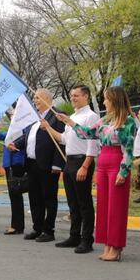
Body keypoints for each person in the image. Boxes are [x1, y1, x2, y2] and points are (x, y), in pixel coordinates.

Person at [52, 86, 136, 262]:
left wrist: (124, 170)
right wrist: (70, 122)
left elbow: (128, 149)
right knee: (104, 206)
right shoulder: (105, 119)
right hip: (103, 165)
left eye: (106, 99)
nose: (104, 102)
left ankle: (116, 246)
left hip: (116, 164)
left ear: (114, 100)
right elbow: (88, 134)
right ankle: (107, 244)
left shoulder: (127, 122)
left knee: (116, 208)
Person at [40, 85, 99, 253]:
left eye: (77, 95)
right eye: (72, 95)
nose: (73, 98)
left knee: (84, 203)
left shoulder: (91, 116)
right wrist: (48, 127)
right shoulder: (71, 117)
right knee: (73, 203)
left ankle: (87, 239)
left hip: (82, 161)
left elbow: (93, 144)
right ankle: (74, 236)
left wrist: (86, 166)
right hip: (69, 161)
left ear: (86, 96)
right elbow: (63, 139)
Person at [22, 89, 66, 242]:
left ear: (47, 98)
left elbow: (61, 142)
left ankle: (49, 230)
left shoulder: (57, 116)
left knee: (49, 198)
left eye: (37, 97)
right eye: (34, 98)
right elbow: (29, 137)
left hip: (48, 165)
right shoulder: (34, 117)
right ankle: (37, 228)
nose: (34, 100)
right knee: (34, 198)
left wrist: (57, 164)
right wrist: (15, 144)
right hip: (32, 164)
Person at [0, 117, 27, 235]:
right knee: (14, 196)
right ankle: (16, 225)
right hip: (9, 165)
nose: (13, 116)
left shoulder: (22, 129)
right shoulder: (13, 129)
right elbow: (1, 135)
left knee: (15, 195)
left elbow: (18, 142)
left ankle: (17, 226)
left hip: (17, 165)